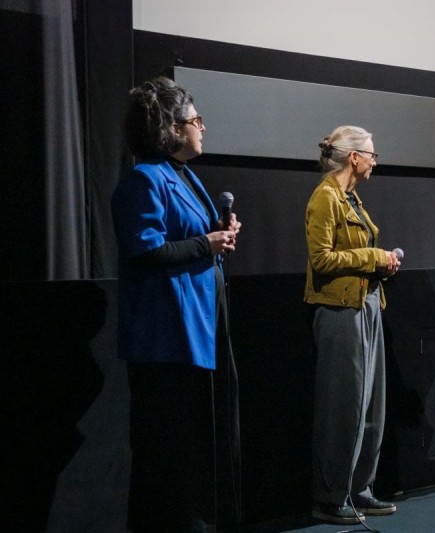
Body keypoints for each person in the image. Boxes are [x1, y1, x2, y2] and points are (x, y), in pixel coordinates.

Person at [112, 76, 243, 531]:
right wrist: (206, 244)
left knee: (200, 445)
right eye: (195, 120)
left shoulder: (182, 175)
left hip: (200, 325)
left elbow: (193, 237)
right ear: (170, 128)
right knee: (171, 451)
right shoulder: (145, 179)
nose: (202, 128)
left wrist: (219, 237)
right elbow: (144, 249)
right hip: (167, 336)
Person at [304, 125, 400, 524]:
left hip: (367, 305)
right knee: (342, 407)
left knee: (370, 405)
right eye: (372, 154)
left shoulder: (352, 199)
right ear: (354, 157)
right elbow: (321, 259)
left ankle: (359, 489)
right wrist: (374, 257)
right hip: (340, 311)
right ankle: (330, 496)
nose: (375, 160)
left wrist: (385, 264)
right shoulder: (325, 198)